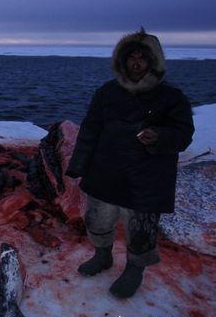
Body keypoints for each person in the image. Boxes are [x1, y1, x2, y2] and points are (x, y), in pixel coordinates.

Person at [66, 28, 194, 298]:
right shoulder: (107, 92)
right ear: (122, 61)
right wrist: (78, 165)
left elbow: (183, 134)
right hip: (105, 173)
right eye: (131, 57)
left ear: (153, 62)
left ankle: (135, 270)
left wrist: (160, 136)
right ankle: (103, 255)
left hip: (146, 178)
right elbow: (90, 129)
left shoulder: (172, 97)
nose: (136, 63)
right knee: (97, 221)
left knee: (141, 230)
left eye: (142, 58)